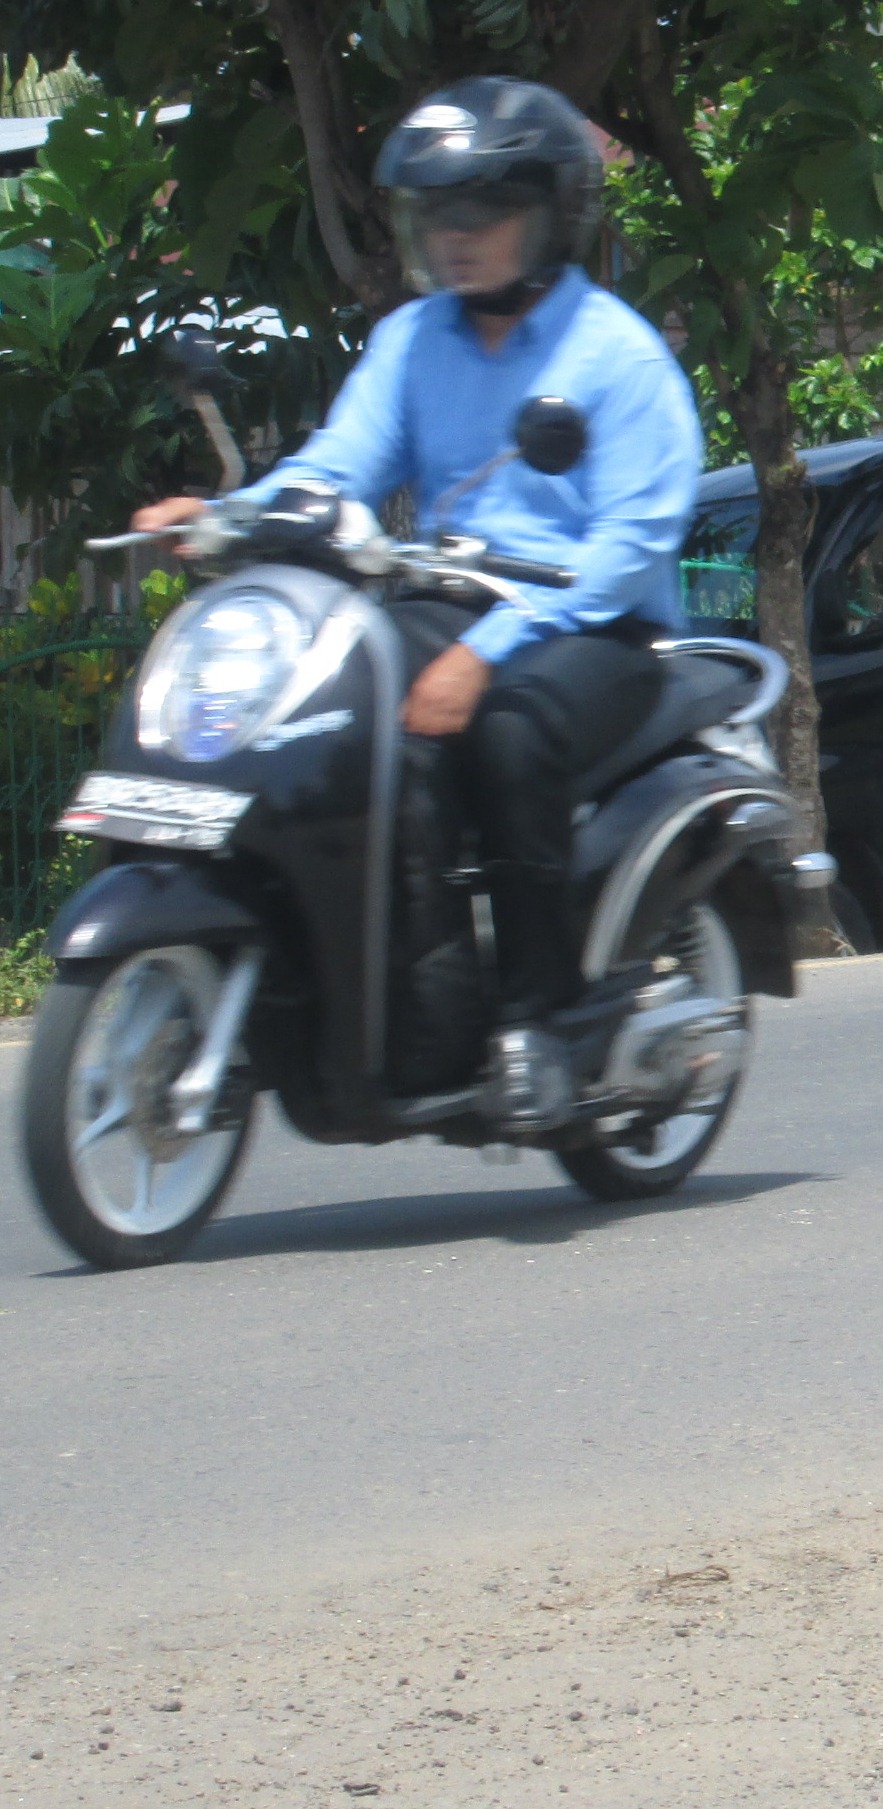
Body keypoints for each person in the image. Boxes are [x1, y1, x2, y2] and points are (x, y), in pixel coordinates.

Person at [131, 76, 704, 1127]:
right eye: (441, 213)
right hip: (448, 600)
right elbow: (337, 464)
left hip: (594, 630)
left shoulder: (617, 355)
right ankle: (399, 1002)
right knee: (330, 720)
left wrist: (488, 652)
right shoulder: (414, 342)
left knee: (507, 738)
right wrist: (219, 519)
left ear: (553, 212)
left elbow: (628, 549)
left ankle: (540, 1020)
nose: (458, 236)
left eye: (485, 212)